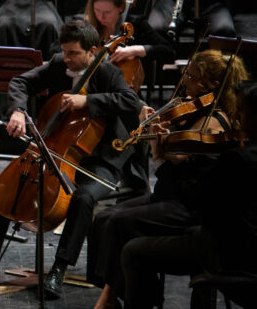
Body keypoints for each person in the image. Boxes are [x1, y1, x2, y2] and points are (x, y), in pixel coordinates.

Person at [0, 20, 144, 300]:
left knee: (83, 199)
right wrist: (17, 111)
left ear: (93, 50)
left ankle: (59, 268)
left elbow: (130, 101)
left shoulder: (108, 72)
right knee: (7, 186)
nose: (68, 58)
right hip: (55, 146)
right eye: (65, 51)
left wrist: (88, 101)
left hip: (100, 159)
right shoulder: (58, 64)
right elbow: (20, 81)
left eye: (74, 53)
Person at [87, 49, 249, 309]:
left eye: (193, 78)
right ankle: (112, 295)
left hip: (187, 206)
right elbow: (174, 168)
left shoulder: (214, 125)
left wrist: (159, 148)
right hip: (170, 194)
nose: (185, 81)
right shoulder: (193, 110)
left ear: (213, 86)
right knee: (104, 218)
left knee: (119, 222)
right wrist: (158, 138)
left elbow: (184, 178)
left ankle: (127, 299)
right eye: (187, 74)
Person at [116, 82, 257, 309]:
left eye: (241, 111)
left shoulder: (239, 159)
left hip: (233, 255)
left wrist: (161, 159)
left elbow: (196, 201)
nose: (237, 119)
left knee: (133, 252)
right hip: (244, 246)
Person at [82, 0, 175, 95]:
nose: (101, 16)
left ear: (121, 8)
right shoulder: (88, 25)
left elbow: (168, 51)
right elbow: (59, 49)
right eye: (97, 10)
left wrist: (134, 50)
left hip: (123, 98)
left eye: (108, 12)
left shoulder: (136, 25)